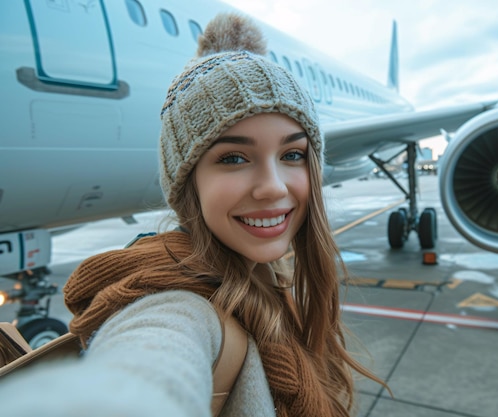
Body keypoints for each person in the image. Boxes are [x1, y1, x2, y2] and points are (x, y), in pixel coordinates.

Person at [0, 12, 387, 417]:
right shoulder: (176, 307)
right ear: (188, 182)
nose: (273, 186)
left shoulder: (262, 281)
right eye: (234, 157)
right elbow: (152, 359)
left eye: (293, 154)